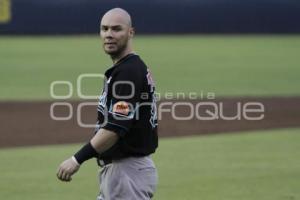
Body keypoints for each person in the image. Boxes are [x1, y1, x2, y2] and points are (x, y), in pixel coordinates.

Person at [56, 8, 159, 200]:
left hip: (127, 173)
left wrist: (76, 159)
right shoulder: (128, 68)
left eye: (116, 29)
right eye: (104, 29)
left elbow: (114, 128)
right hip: (125, 172)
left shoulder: (128, 72)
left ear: (130, 32)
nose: (109, 35)